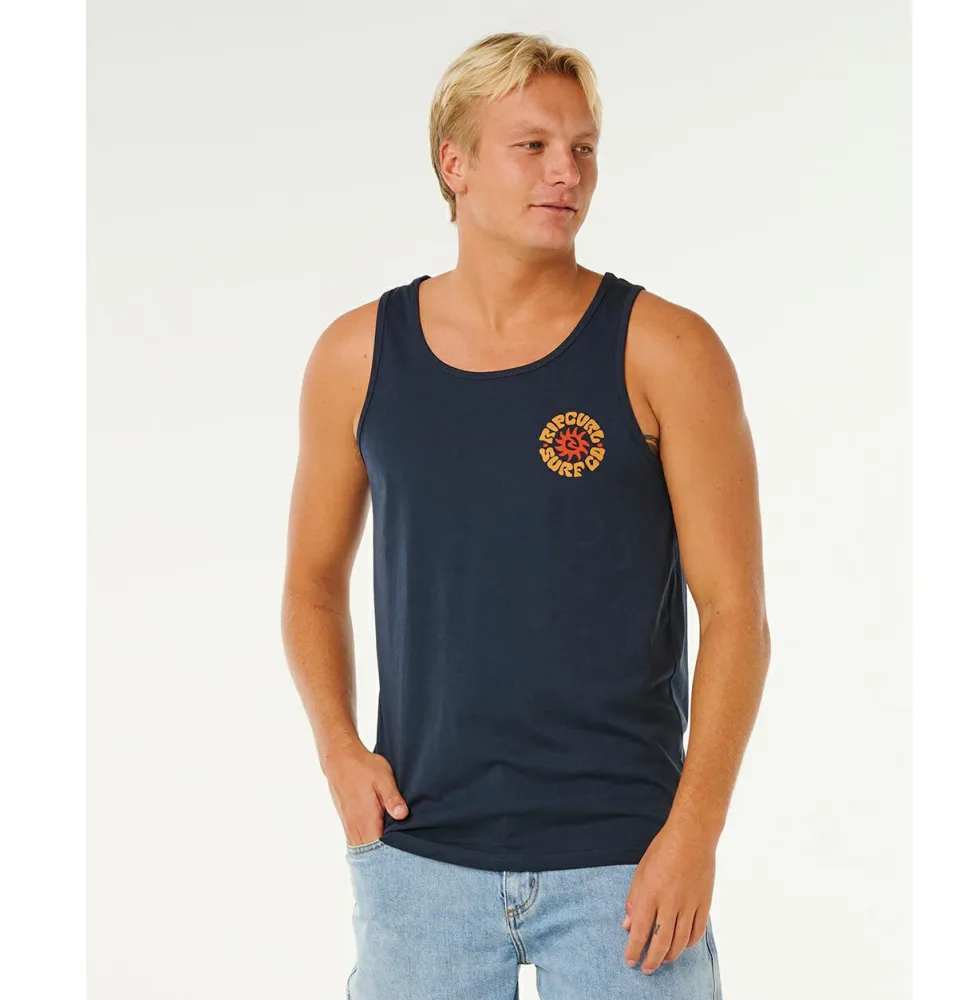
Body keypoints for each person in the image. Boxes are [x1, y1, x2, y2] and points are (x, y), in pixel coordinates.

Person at [281, 31, 769, 1000]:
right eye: (533, 146)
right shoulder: (356, 356)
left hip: (627, 865)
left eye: (583, 147)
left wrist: (696, 831)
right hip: (420, 855)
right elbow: (309, 586)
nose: (566, 172)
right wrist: (340, 755)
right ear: (454, 164)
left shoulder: (666, 350)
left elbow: (736, 614)